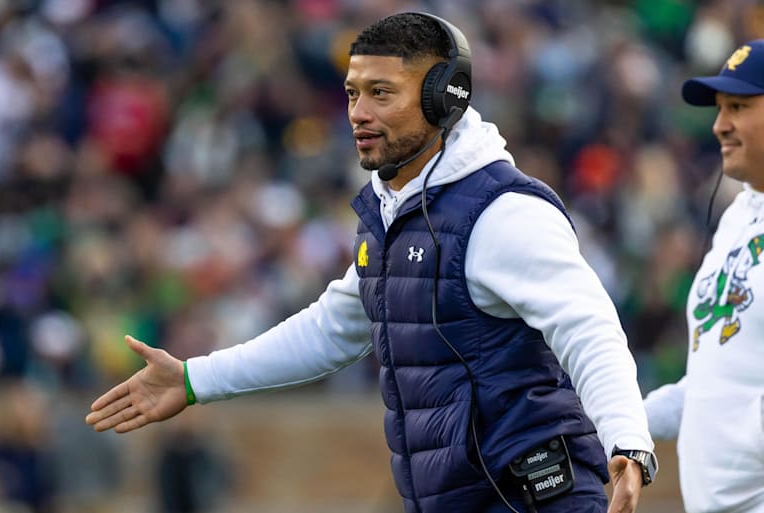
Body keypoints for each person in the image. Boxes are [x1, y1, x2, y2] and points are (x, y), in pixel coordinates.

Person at [86, 12, 656, 513]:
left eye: (381, 93)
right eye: (353, 93)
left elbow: (587, 327)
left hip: (532, 496)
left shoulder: (503, 212)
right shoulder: (394, 210)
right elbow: (332, 328)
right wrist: (193, 380)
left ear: (443, 98)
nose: (358, 112)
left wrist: (627, 441)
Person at [643, 39, 764, 513]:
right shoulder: (737, 216)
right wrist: (625, 425)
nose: (719, 125)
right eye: (719, 108)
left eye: (738, 106)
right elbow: (713, 384)